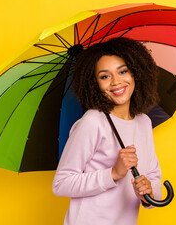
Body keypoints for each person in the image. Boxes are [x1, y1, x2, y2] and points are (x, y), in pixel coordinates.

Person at [52, 37, 162, 225]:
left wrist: (148, 193)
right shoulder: (93, 121)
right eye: (105, 76)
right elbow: (61, 184)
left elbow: (153, 176)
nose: (116, 82)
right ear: (94, 84)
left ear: (136, 73)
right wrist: (113, 173)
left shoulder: (143, 122)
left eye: (123, 71)